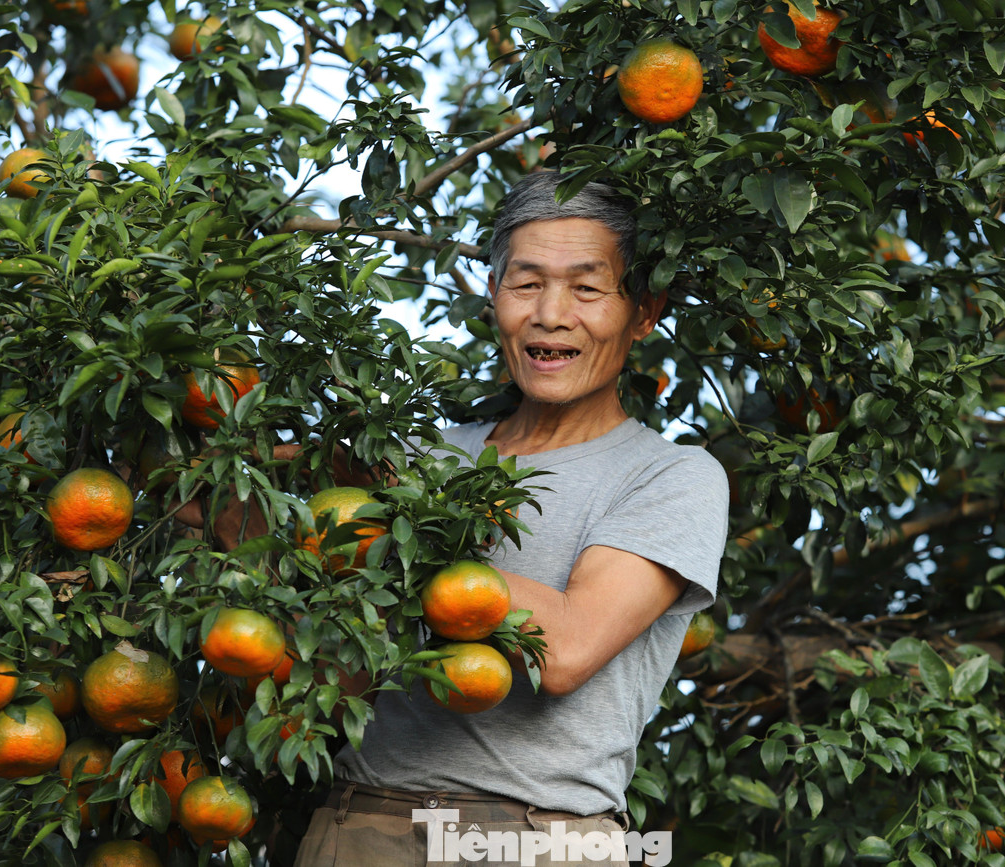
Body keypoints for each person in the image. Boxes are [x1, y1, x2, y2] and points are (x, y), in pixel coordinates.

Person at [290, 171, 730, 866]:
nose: (551, 313)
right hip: (360, 824)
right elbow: (336, 677)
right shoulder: (420, 455)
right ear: (493, 294)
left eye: (587, 288)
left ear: (644, 310)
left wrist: (404, 514)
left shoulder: (671, 476)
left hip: (544, 839)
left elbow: (566, 649)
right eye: (525, 283)